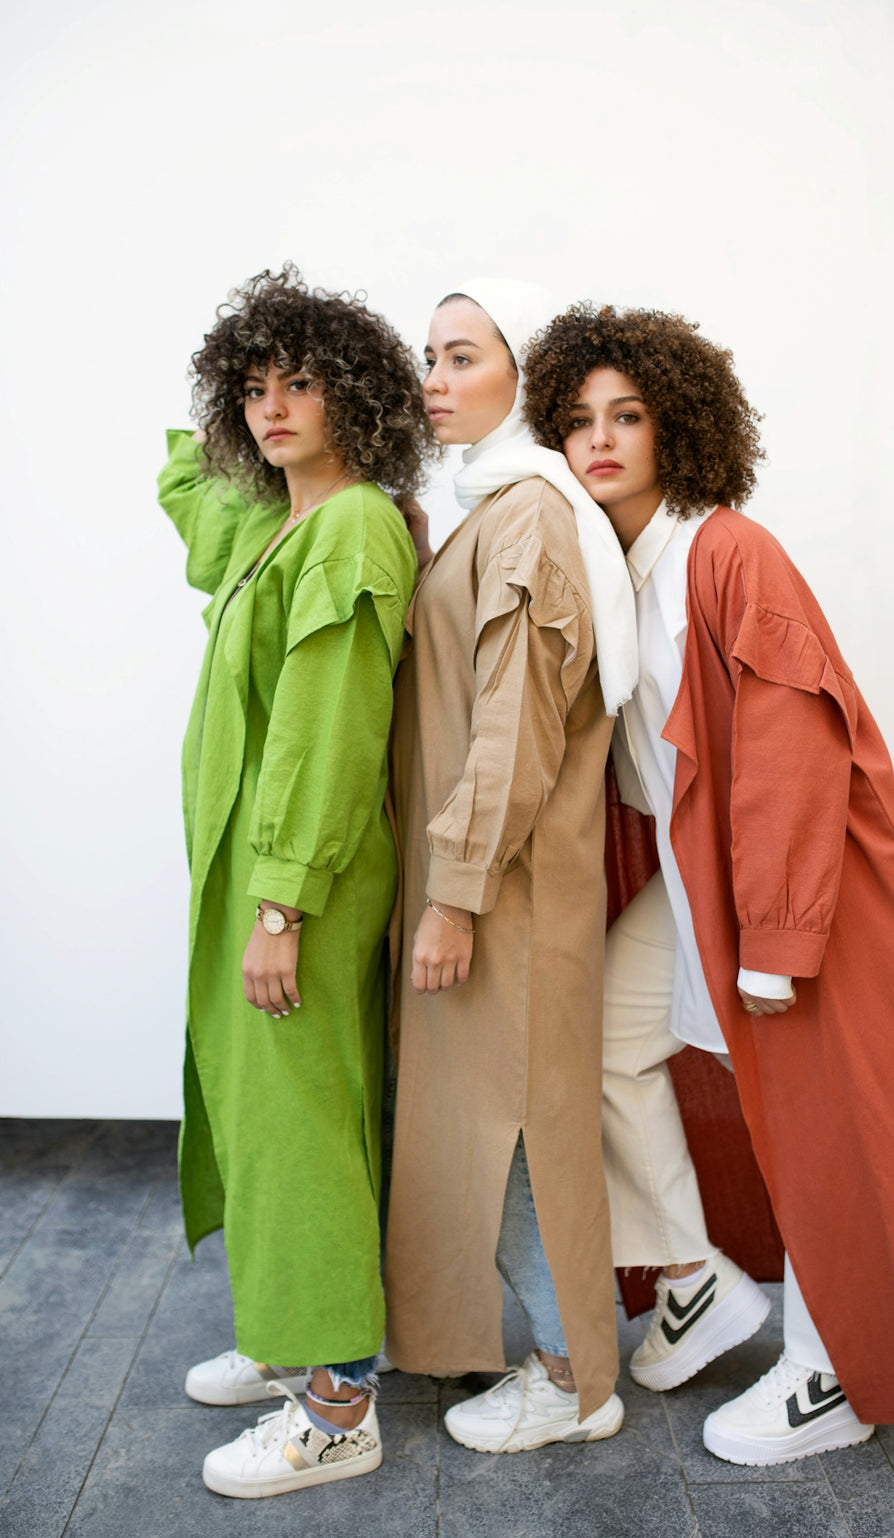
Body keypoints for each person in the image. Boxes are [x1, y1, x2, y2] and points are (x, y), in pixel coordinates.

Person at [522, 304, 894, 1466]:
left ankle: (831, 1370)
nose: (601, 439)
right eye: (579, 420)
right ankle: (690, 1276)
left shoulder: (726, 548)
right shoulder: (622, 566)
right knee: (598, 1041)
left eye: (627, 416)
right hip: (707, 886)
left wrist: (780, 938)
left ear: (676, 427)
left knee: (829, 1123)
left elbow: (793, 740)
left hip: (799, 894)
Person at [157, 266, 427, 1497]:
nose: (274, 408)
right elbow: (184, 485)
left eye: (302, 383)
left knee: (304, 1121)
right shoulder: (272, 522)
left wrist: (283, 904)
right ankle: (286, 1339)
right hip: (252, 878)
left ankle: (335, 1403)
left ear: (357, 395)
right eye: (252, 389)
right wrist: (234, 412)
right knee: (261, 1110)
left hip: (297, 885)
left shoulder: (353, 523)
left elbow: (329, 728)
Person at [384, 280, 638, 1453]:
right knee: (492, 1115)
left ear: (516, 376)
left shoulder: (530, 510)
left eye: (460, 355)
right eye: (426, 359)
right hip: (495, 882)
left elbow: (514, 723)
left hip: (511, 889)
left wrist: (456, 891)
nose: (435, 378)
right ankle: (546, 1353)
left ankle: (575, 1376)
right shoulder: (488, 506)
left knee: (523, 1124)